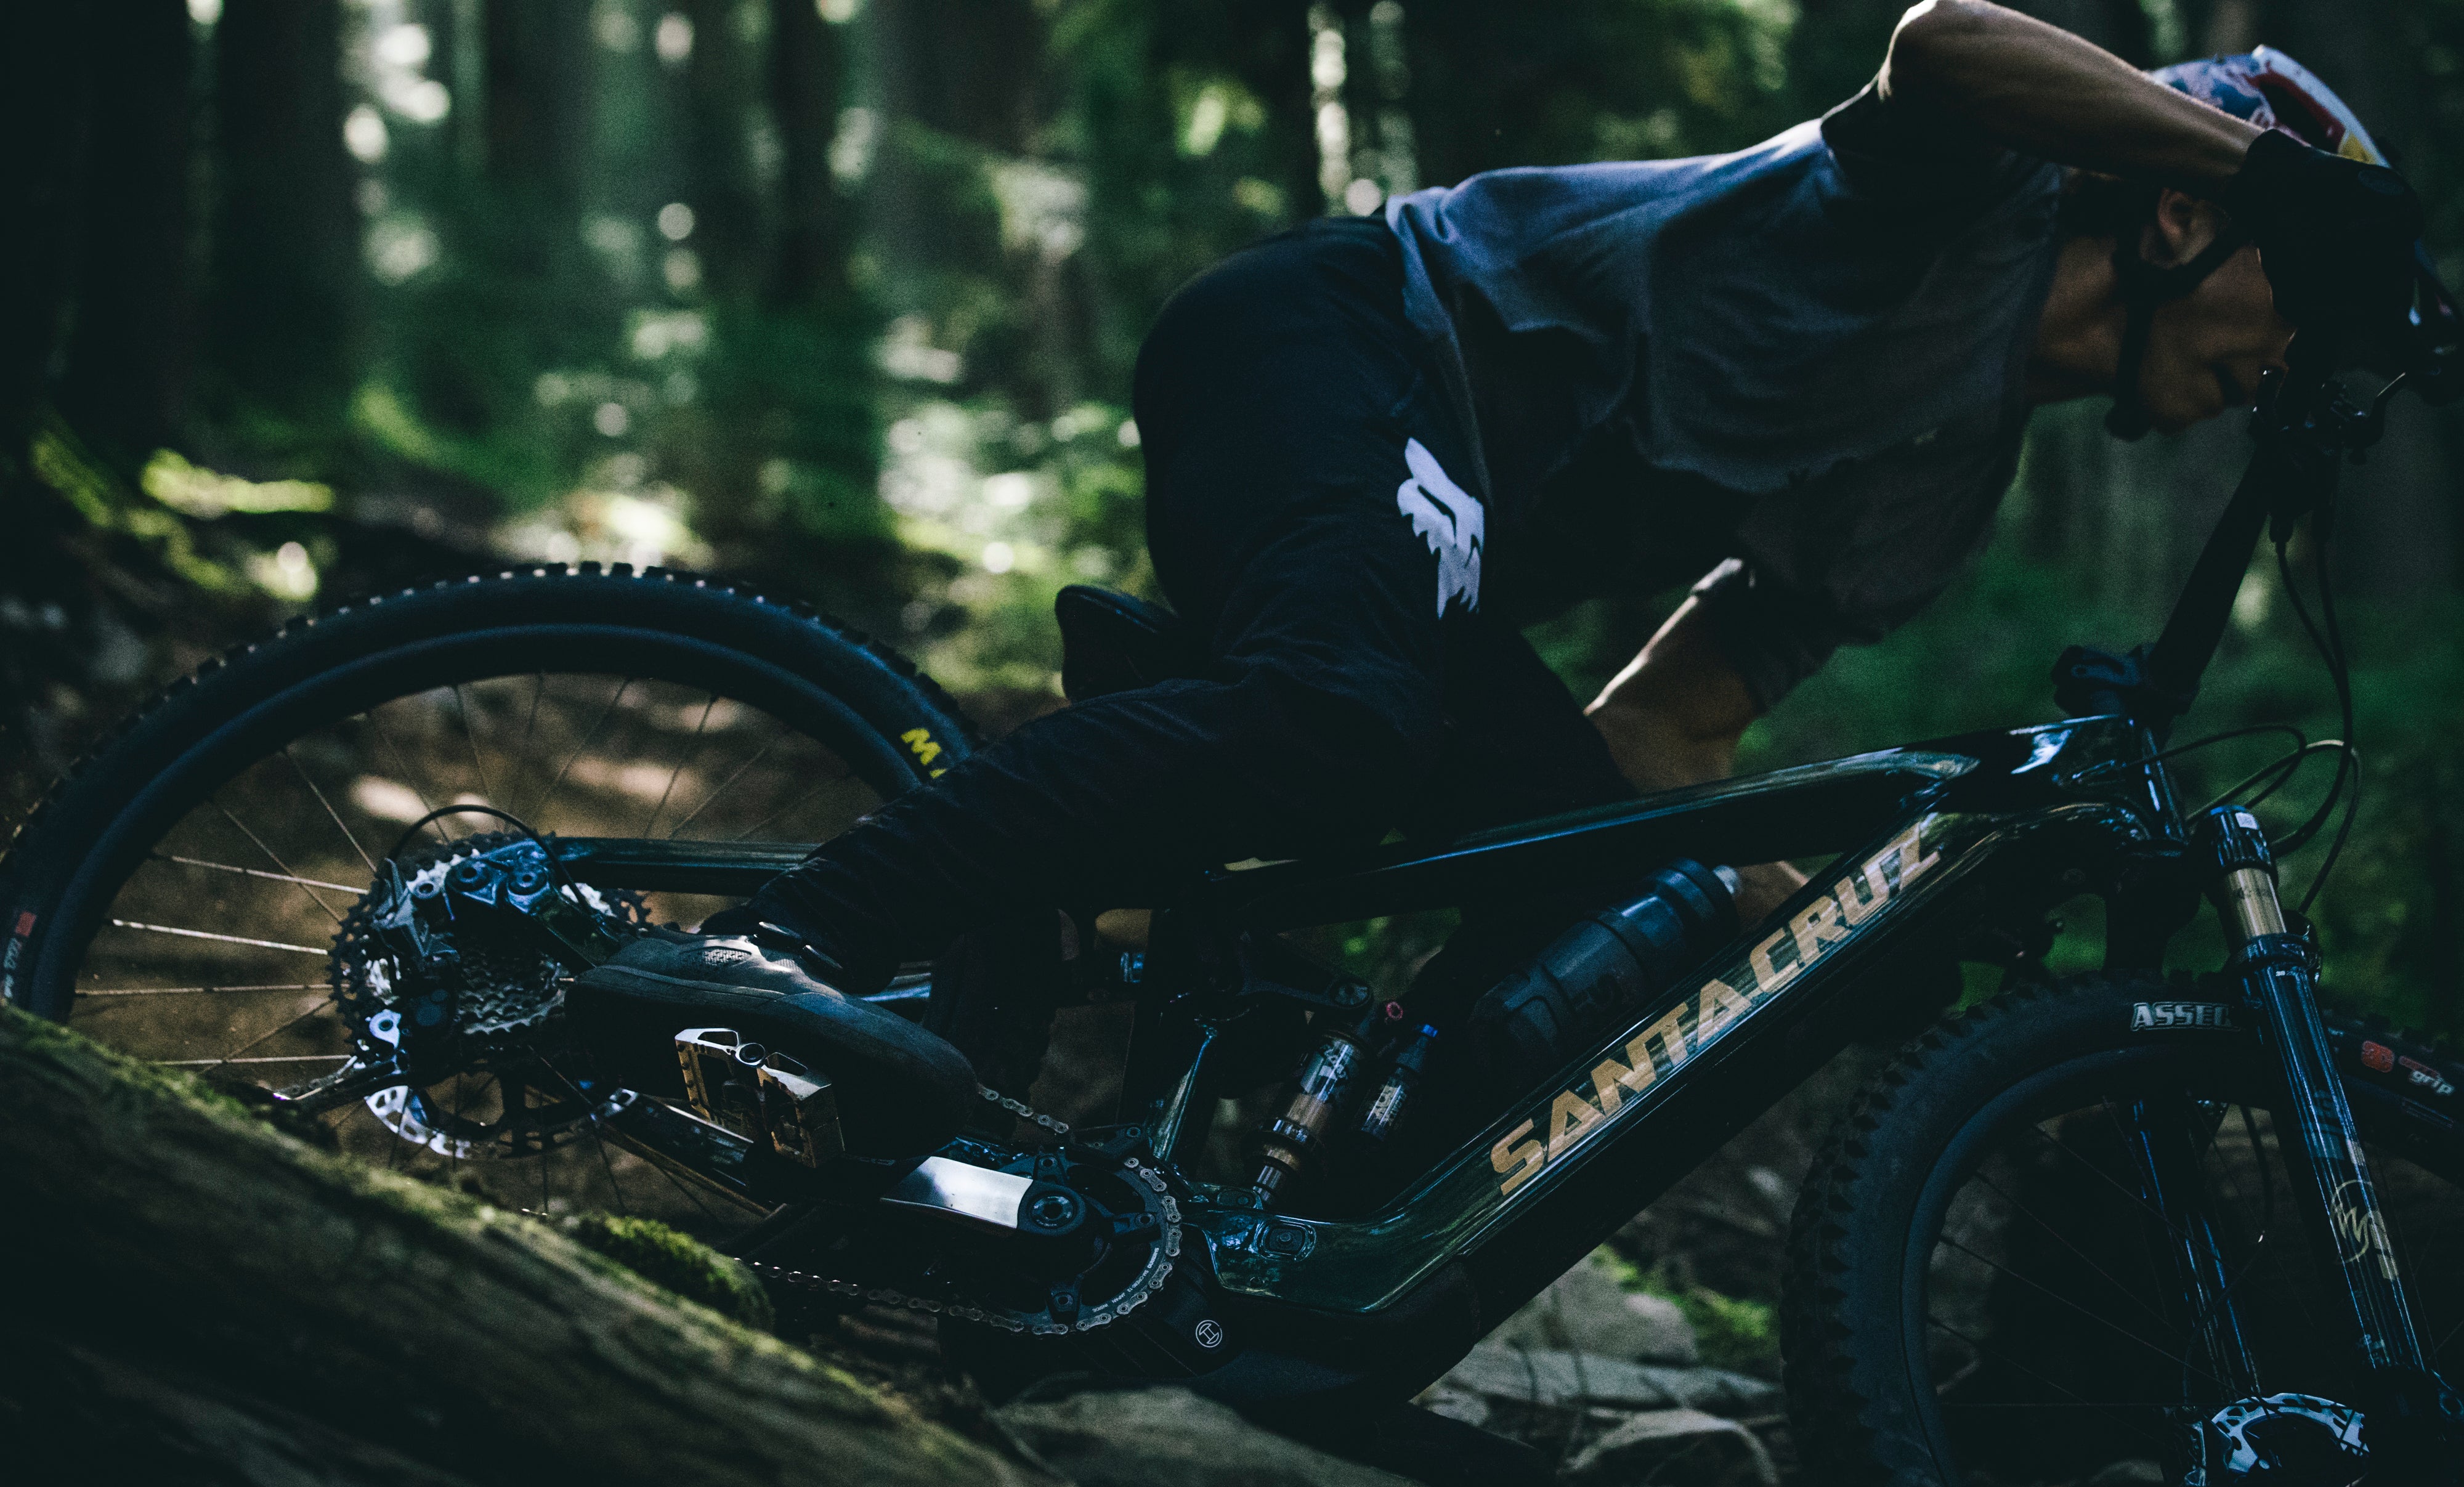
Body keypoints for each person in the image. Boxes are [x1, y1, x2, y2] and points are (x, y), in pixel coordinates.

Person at [574, 4, 2426, 1159]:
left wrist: (1789, 913)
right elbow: (1943, 38)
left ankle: (1250, 1178)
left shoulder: (1937, 508)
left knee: (1576, 868)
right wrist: (2275, 160)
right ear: (2182, 218)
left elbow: (1666, 731)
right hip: (1354, 336)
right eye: (2298, 302)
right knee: (1346, 719)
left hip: (1408, 547)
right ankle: (795, 932)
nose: (2283, 370)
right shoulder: (1958, 204)